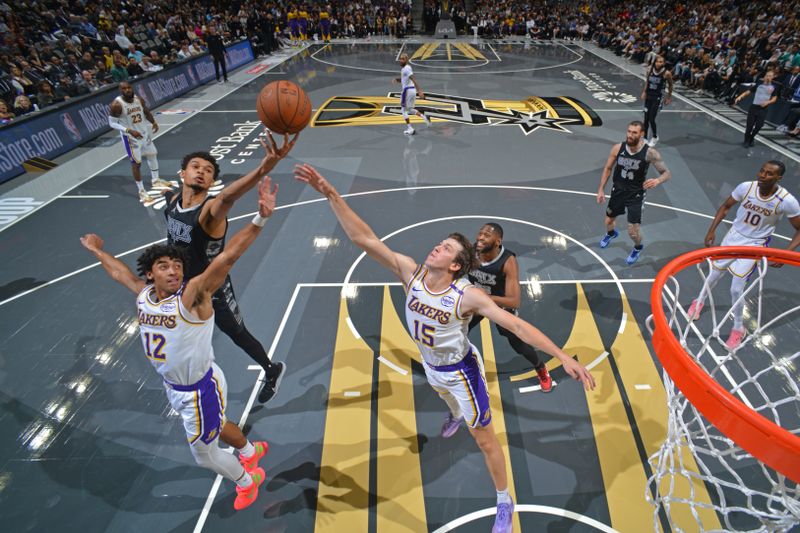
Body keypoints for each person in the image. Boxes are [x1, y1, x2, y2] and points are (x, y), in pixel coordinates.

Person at [294, 163, 596, 533]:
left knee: (483, 438)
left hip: (462, 373)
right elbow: (364, 239)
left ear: (455, 265)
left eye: (446, 248)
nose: (437, 246)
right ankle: (454, 412)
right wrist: (330, 193)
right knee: (447, 401)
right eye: (440, 242)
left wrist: (562, 357)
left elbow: (515, 322)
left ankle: (504, 500)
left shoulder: (466, 295)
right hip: (432, 365)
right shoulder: (411, 273)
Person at [79, 178, 278, 510]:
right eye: (163, 266)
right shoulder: (144, 295)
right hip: (184, 384)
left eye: (177, 266)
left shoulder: (191, 296)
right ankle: (248, 451)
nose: (173, 270)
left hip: (197, 389)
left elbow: (226, 259)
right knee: (219, 423)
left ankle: (247, 481)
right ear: (150, 274)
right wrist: (98, 250)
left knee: (204, 455)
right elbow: (119, 273)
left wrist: (260, 219)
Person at [164, 131, 298, 403]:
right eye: (196, 167)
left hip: (212, 287)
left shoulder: (210, 210)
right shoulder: (171, 201)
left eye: (208, 170)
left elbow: (227, 198)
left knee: (236, 332)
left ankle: (272, 370)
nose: (201, 172)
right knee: (179, 332)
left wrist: (264, 168)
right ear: (183, 174)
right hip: (181, 284)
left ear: (213, 181)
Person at [687, 161, 800, 349]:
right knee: (714, 274)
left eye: (769, 173)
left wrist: (787, 253)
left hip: (755, 245)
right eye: (762, 171)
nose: (763, 175)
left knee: (735, 290)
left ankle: (738, 329)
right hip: (733, 237)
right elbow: (725, 206)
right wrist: (712, 230)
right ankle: (698, 301)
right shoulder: (746, 187)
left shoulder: (786, 201)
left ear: (778, 178)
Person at [468, 222, 553, 393]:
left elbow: (514, 301)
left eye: (487, 235)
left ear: (498, 241)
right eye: (480, 233)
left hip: (499, 306)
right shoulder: (472, 252)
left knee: (518, 343)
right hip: (476, 303)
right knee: (456, 331)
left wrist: (483, 299)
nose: (480, 237)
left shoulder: (508, 261)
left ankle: (540, 368)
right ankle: (456, 368)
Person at [596, 121, 672, 265]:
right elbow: (607, 168)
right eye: (629, 131)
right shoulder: (618, 148)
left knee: (632, 231)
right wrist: (600, 189)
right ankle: (611, 234)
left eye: (634, 133)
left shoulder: (650, 153)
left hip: (635, 195)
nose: (630, 135)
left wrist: (657, 181)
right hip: (617, 191)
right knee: (608, 221)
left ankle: (638, 247)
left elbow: (667, 173)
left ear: (642, 134)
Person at [108, 81, 173, 203]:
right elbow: (112, 123)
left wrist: (153, 122)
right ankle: (142, 192)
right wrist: (128, 130)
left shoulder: (138, 99)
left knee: (152, 154)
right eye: (124, 88)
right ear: (120, 90)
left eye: (129, 87)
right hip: (130, 138)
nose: (127, 90)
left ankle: (156, 180)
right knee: (136, 164)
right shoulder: (117, 105)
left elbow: (146, 111)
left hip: (143, 133)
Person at [735, 70, 777, 148]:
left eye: (770, 76)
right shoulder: (758, 85)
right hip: (754, 108)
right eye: (767, 75)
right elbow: (748, 92)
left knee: (759, 126)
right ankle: (746, 141)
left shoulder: (773, 87)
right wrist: (740, 96)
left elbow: (774, 98)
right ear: (765, 76)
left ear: (773, 77)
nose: (768, 77)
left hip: (763, 109)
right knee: (749, 126)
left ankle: (751, 137)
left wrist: (768, 102)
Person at [394, 53, 431, 136]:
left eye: (403, 59)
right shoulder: (407, 68)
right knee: (410, 109)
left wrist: (420, 91)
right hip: (411, 91)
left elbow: (413, 79)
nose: (400, 60)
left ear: (406, 60)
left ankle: (410, 128)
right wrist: (398, 80)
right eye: (400, 58)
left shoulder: (406, 69)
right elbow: (405, 79)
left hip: (407, 91)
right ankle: (424, 117)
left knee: (403, 110)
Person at [641, 55, 673, 147]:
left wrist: (668, 97)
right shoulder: (649, 70)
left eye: (661, 62)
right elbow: (647, 81)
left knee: (651, 119)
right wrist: (644, 92)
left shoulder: (666, 73)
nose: (659, 63)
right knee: (646, 119)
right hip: (649, 96)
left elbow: (670, 86)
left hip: (658, 97)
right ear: (654, 62)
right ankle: (645, 138)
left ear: (664, 63)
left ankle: (655, 137)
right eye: (658, 61)